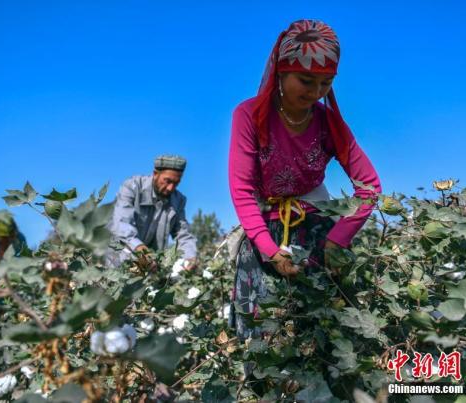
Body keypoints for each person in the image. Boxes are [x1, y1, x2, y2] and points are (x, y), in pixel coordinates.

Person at [228, 19, 382, 339]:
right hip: (265, 240)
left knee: (322, 339)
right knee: (265, 344)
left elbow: (369, 188)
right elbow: (242, 191)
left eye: (325, 84)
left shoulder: (329, 124)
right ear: (281, 71)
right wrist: (270, 251)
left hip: (318, 240)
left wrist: (338, 240)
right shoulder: (249, 116)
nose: (315, 93)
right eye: (306, 80)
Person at [107, 155, 197, 270]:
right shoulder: (132, 187)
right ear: (155, 174)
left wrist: (190, 257)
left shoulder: (178, 200)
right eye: (167, 181)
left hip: (149, 267)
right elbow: (122, 225)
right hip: (116, 260)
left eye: (176, 183)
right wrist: (141, 249)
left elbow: (183, 234)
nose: (170, 188)